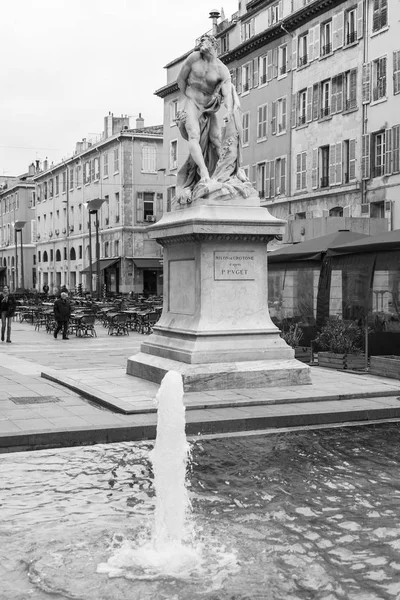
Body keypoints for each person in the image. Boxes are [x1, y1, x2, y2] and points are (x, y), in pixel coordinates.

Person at [176, 33, 239, 193]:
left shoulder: (221, 69)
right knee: (194, 135)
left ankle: (224, 173)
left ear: (213, 45)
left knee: (217, 139)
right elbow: (180, 79)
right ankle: (204, 172)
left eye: (204, 40)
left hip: (209, 106)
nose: (201, 43)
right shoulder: (193, 58)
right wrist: (187, 99)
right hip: (192, 102)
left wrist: (229, 110)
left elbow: (227, 93)